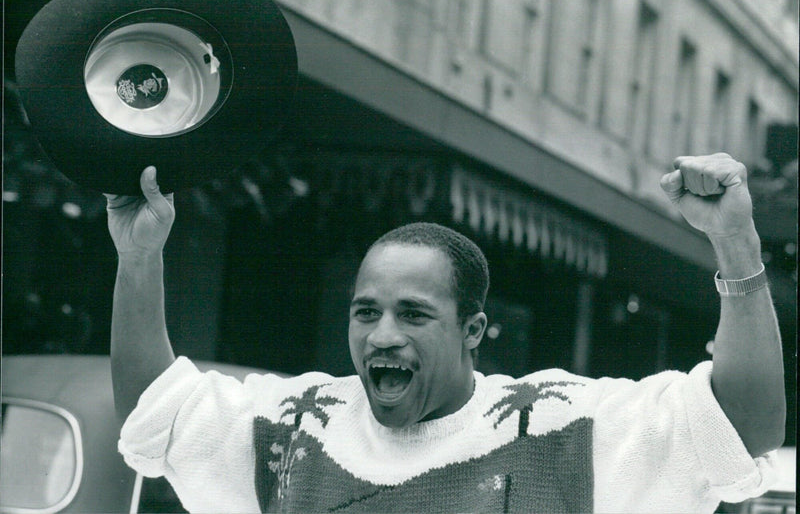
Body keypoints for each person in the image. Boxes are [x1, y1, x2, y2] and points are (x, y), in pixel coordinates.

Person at [108, 153, 785, 513]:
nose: (383, 335)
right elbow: (155, 412)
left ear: (474, 330)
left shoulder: (560, 428)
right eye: (365, 312)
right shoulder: (295, 426)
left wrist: (735, 243)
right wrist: (139, 256)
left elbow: (740, 428)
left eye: (414, 314)